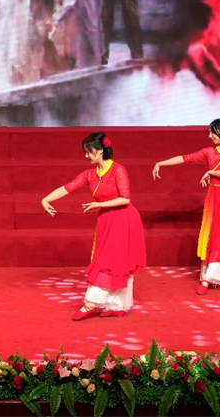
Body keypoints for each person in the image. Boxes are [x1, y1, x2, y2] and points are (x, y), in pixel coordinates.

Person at [40, 133, 146, 320]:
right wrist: (45, 199)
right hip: (106, 219)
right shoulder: (90, 174)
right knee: (112, 261)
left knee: (112, 261)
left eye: (88, 152)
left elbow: (125, 199)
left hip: (124, 218)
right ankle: (116, 305)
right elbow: (69, 187)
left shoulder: (118, 170)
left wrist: (99, 205)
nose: (86, 156)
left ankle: (91, 303)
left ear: (100, 151)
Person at [152, 119, 220, 294]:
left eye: (212, 132)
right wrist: (161, 163)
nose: (209, 136)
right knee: (215, 236)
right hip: (215, 197)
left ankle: (212, 278)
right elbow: (185, 158)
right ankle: (214, 277)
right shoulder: (209, 152)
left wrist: (210, 172)